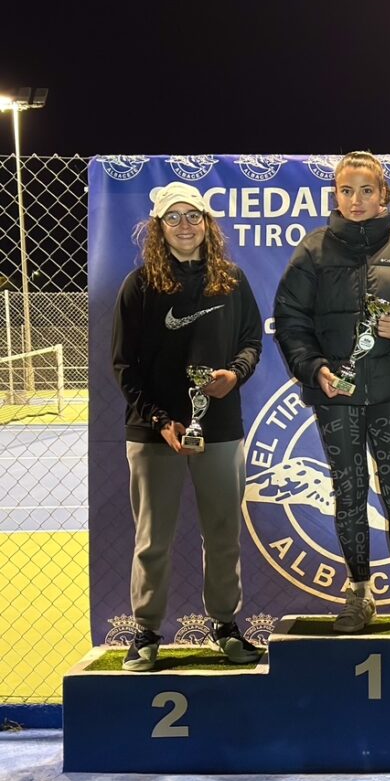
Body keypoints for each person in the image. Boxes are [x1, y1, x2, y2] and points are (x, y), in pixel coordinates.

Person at [273, 151, 390, 634]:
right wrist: (314, 369)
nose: (356, 199)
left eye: (366, 190)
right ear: (335, 196)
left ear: (383, 195)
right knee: (347, 494)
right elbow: (290, 320)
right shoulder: (313, 250)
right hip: (336, 397)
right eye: (346, 191)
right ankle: (359, 595)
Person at [112, 181, 264, 672]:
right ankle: (146, 633)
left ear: (207, 223)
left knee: (222, 533)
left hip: (219, 428)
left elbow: (251, 342)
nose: (184, 225)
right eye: (173, 217)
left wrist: (233, 375)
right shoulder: (139, 287)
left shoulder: (232, 281)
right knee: (152, 538)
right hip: (155, 432)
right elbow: (124, 366)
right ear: (158, 227)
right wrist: (160, 420)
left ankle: (224, 625)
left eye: (192, 215)